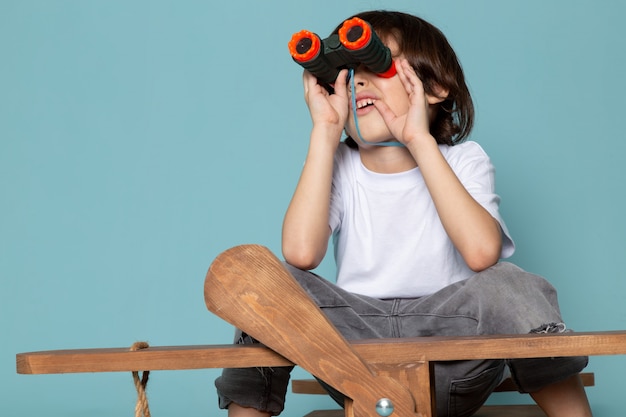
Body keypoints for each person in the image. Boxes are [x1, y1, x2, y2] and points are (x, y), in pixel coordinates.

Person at [214, 10, 592, 417]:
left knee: (510, 282)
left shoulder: (464, 159)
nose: (357, 81)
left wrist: (418, 139)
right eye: (345, 73)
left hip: (454, 349)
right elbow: (301, 255)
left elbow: (482, 253)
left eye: (377, 65)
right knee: (264, 285)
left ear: (436, 88)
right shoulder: (340, 163)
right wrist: (324, 133)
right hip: (353, 356)